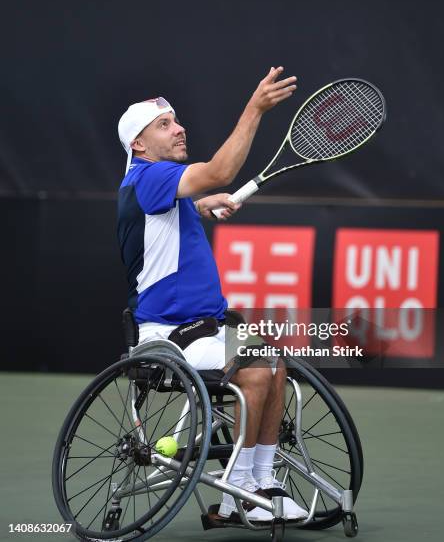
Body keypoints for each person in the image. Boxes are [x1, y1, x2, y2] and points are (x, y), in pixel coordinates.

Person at [117, 67, 306, 521]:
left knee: (273, 363)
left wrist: (200, 204)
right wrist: (255, 108)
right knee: (257, 370)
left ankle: (263, 480)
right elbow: (220, 170)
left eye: (176, 120)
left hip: (205, 329)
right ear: (138, 145)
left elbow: (170, 214)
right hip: (168, 336)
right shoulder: (148, 177)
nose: (179, 128)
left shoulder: (160, 188)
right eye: (164, 125)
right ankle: (238, 490)